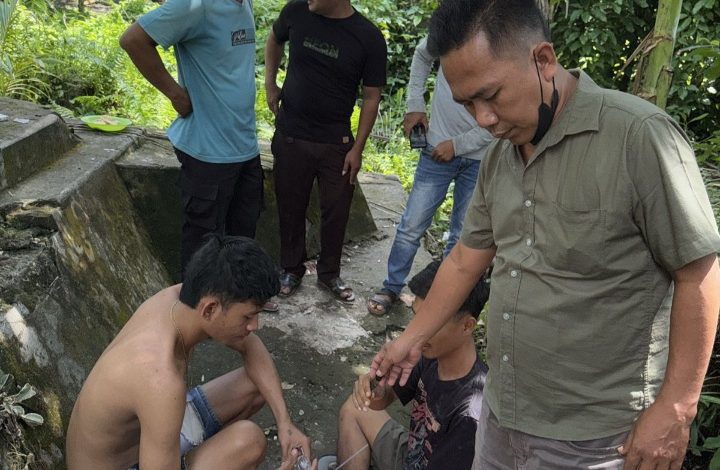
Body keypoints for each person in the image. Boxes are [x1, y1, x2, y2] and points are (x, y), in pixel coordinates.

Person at [369, 0, 720, 469]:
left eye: (491, 95)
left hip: (595, 438)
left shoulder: (638, 138)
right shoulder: (499, 156)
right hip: (502, 413)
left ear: (544, 60)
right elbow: (464, 261)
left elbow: (698, 272)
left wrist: (677, 405)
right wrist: (408, 340)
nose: (483, 119)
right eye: (468, 104)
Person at [66, 235, 315, 469]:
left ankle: (202, 455)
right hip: (123, 464)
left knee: (259, 384)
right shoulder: (159, 378)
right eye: (247, 317)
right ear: (210, 309)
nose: (254, 326)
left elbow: (252, 346)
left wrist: (285, 423)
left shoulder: (184, 298)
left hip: (148, 438)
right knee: (248, 441)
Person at [119, 0, 278, 312]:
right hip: (208, 150)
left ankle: (238, 303)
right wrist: (175, 94)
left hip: (244, 145)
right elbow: (133, 40)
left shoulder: (244, 5)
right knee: (203, 243)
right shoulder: (197, 5)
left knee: (242, 236)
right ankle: (192, 311)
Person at [264, 0, 387, 303]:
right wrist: (270, 83)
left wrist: (358, 148)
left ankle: (329, 273)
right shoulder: (296, 12)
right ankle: (290, 269)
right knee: (290, 205)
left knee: (336, 210)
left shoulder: (368, 37)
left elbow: (372, 97)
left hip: (336, 142)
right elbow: (274, 39)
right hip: (292, 134)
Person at [366, 36, 493, 316]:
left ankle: (442, 299)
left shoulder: (503, 39)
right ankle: (391, 286)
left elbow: (502, 115)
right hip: (435, 149)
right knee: (412, 225)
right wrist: (415, 104)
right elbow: (423, 54)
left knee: (462, 235)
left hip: (481, 158)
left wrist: (457, 146)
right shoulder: (453, 28)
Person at [330, 260, 489, 470]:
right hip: (414, 454)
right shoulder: (429, 353)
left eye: (433, 323)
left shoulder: (472, 412)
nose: (417, 332)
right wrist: (374, 389)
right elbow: (382, 399)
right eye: (417, 318)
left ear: (467, 326)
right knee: (355, 408)